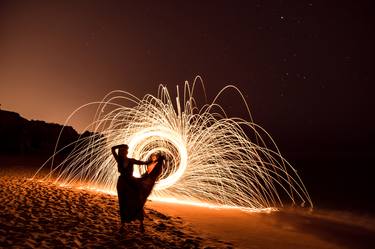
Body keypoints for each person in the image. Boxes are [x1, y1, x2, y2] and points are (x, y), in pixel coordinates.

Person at [111, 144, 150, 232]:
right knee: (123, 202)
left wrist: (149, 162)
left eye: (124, 151)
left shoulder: (131, 160)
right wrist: (121, 145)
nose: (122, 152)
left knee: (137, 200)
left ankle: (141, 224)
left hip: (131, 181)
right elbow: (112, 149)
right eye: (121, 151)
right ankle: (123, 225)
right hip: (122, 182)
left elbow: (142, 163)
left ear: (126, 152)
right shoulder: (119, 160)